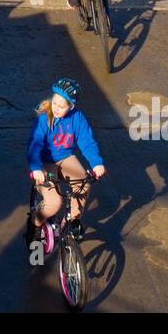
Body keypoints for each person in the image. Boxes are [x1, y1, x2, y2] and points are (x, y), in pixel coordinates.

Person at [27, 78, 106, 250]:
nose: (55, 107)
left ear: (71, 106)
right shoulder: (44, 119)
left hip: (66, 157)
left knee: (83, 184)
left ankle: (71, 220)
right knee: (54, 203)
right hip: (45, 163)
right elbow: (35, 144)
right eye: (54, 102)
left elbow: (87, 141)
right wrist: (36, 167)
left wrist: (96, 163)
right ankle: (36, 221)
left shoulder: (77, 118)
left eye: (61, 106)